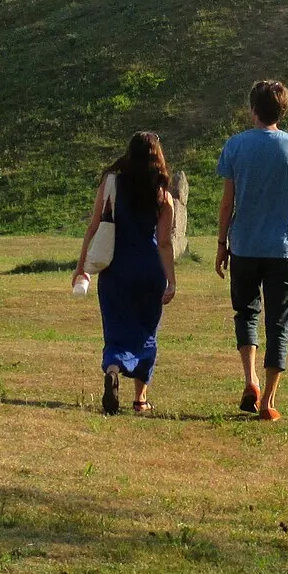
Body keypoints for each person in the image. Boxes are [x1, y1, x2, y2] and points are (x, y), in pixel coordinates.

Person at [216, 80, 288, 422]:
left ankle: (251, 380)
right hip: (284, 249)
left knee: (246, 313)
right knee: (279, 322)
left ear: (253, 110)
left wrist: (222, 244)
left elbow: (227, 202)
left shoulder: (236, 146)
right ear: (283, 111)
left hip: (245, 245)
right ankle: (269, 402)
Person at [72, 131, 179, 415]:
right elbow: (165, 243)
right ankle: (140, 399)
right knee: (146, 334)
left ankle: (113, 367)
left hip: (115, 271)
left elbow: (94, 226)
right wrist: (171, 280)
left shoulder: (111, 184)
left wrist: (82, 268)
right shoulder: (162, 195)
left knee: (116, 331)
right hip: (148, 270)